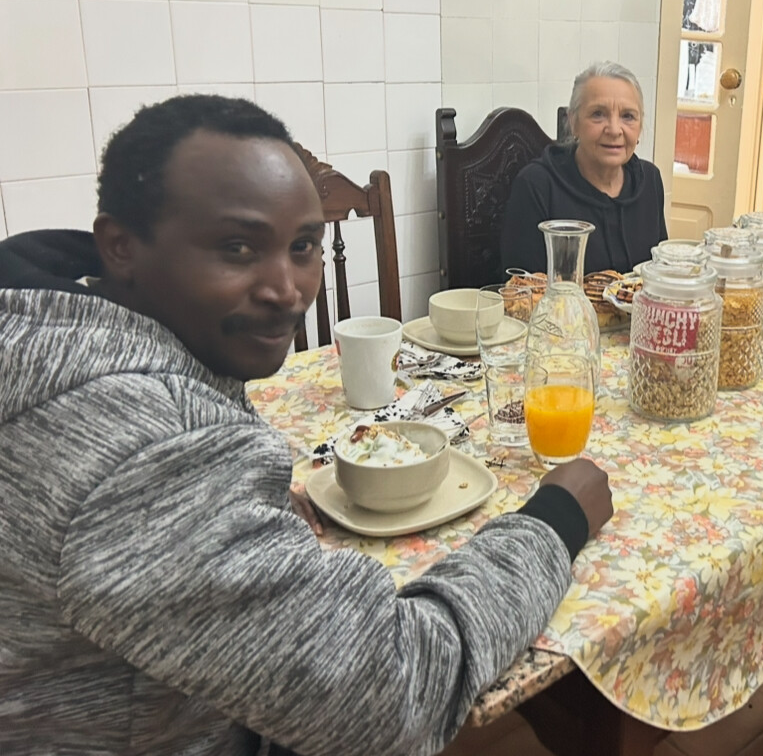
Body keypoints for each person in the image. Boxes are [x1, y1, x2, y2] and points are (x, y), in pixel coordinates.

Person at [0, 95, 614, 755]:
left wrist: (226, 508)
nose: (286, 288)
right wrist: (553, 522)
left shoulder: (55, 331)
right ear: (121, 246)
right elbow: (395, 690)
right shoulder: (139, 449)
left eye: (303, 247)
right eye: (237, 248)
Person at [502, 62, 667, 275]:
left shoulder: (650, 180)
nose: (614, 130)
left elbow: (661, 274)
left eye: (628, 116)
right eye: (598, 114)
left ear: (640, 126)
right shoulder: (537, 186)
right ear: (573, 122)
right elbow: (521, 287)